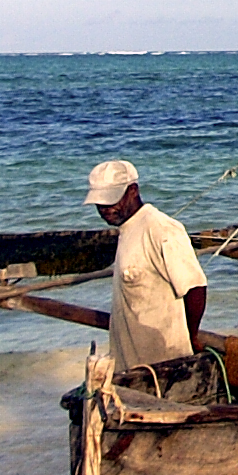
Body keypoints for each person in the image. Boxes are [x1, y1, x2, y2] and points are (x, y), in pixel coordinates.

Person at [84, 158, 208, 370]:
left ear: (133, 191)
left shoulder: (161, 229)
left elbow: (195, 288)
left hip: (163, 362)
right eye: (100, 203)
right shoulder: (127, 229)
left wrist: (191, 336)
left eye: (111, 201)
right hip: (130, 360)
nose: (105, 209)